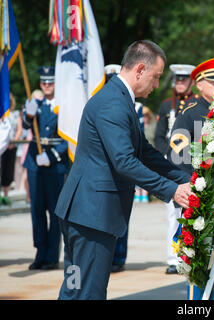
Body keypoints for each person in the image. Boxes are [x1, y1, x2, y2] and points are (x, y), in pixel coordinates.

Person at [54, 40, 192, 300]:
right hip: (91, 218)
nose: (156, 84)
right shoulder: (113, 103)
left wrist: (188, 179)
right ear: (140, 69)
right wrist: (172, 191)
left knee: (74, 288)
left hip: (85, 215)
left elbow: (145, 151)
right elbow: (125, 161)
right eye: (156, 77)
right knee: (87, 292)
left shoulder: (119, 99)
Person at [169, 57, 214, 300]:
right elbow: (176, 153)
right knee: (199, 266)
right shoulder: (190, 113)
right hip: (200, 200)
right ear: (199, 85)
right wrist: (192, 188)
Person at [23, 66, 69, 270]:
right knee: (37, 210)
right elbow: (25, 127)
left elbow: (69, 137)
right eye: (44, 82)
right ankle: (40, 253)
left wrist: (52, 156)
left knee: (54, 211)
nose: (47, 85)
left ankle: (52, 256)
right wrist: (28, 115)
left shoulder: (65, 105)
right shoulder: (37, 104)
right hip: (35, 163)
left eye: (50, 82)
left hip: (54, 165)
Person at [154, 63, 196, 275]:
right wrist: (165, 155)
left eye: (183, 79)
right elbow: (160, 136)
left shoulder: (196, 104)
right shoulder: (165, 106)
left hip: (189, 165)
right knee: (173, 213)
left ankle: (190, 255)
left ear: (191, 82)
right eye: (177, 79)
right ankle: (173, 257)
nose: (179, 83)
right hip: (171, 165)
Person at [1, 92, 22, 205]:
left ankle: (5, 195)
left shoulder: (15, 114)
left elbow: (19, 129)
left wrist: (13, 141)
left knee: (8, 171)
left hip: (11, 146)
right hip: (1, 146)